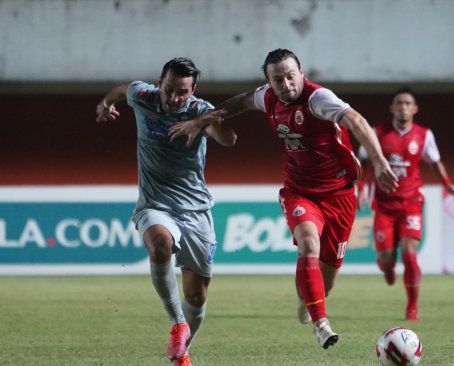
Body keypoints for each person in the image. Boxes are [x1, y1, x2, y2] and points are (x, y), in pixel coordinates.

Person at [169, 48, 398, 349]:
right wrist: (202, 121)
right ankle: (321, 324)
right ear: (269, 82)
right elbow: (238, 103)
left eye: (291, 76)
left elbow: (355, 120)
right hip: (299, 191)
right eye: (277, 80)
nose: (286, 84)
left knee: (324, 283)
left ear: (301, 73)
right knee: (308, 243)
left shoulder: (318, 99)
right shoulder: (267, 98)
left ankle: (307, 299)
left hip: (339, 194)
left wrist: (379, 161)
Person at [95, 57, 236, 366]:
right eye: (169, 89)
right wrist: (104, 104)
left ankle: (183, 354)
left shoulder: (200, 109)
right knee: (159, 244)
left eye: (182, 93)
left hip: (195, 209)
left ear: (193, 90)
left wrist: (201, 122)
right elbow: (121, 90)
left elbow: (228, 139)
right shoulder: (142, 96)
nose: (174, 98)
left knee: (197, 295)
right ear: (159, 83)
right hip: (154, 203)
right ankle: (177, 323)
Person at [357, 87, 454, 321]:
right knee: (387, 259)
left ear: (415, 109)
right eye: (399, 103)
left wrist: (448, 185)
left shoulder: (424, 135)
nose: (403, 107)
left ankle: (412, 307)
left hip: (411, 203)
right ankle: (386, 265)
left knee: (409, 254)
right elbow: (362, 162)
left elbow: (435, 162)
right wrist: (361, 189)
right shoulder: (376, 133)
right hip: (384, 205)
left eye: (408, 103)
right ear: (392, 108)